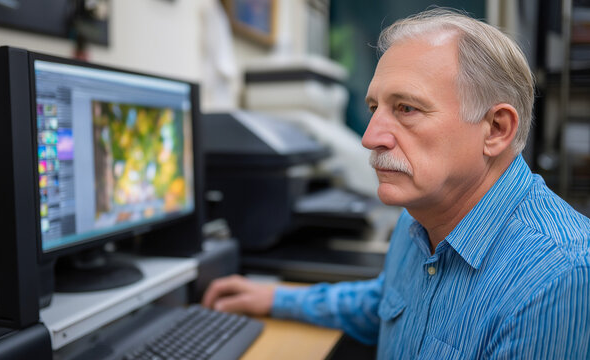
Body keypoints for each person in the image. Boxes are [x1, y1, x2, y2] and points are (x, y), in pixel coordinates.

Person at [202, 8, 590, 359]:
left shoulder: (559, 276)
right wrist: (276, 298)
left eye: (406, 108)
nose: (370, 137)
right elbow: (385, 302)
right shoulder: (419, 216)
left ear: (495, 129)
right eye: (375, 108)